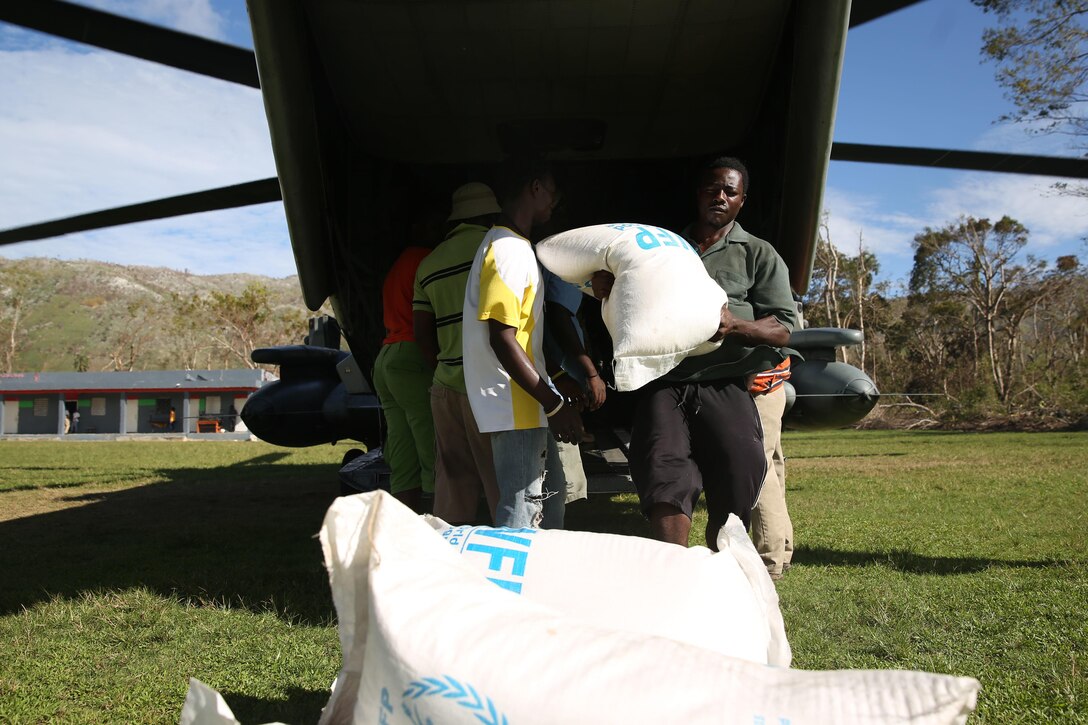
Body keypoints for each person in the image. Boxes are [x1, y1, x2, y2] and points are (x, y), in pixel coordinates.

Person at [592, 156, 798, 550]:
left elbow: (784, 327)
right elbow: (632, 296)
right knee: (662, 469)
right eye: (711, 188)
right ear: (697, 194)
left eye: (729, 191)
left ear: (742, 200)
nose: (719, 197)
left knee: (741, 467)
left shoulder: (757, 253)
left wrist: (736, 325)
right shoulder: (663, 249)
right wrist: (606, 285)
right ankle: (676, 564)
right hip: (665, 381)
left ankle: (723, 562)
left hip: (725, 382)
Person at [462, 156, 584, 529]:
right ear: (535, 187)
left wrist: (552, 396)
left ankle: (542, 579)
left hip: (528, 400)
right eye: (553, 193)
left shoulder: (513, 246)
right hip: (516, 403)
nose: (554, 203)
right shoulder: (508, 250)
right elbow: (502, 339)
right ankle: (510, 587)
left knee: (550, 502)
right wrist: (553, 404)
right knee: (521, 511)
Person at [412, 182, 502, 525]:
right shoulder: (497, 249)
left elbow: (422, 333)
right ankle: (510, 561)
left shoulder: (429, 263)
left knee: (452, 487)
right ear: (491, 213)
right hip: (490, 387)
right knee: (501, 487)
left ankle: (448, 557)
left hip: (445, 387)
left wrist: (444, 366)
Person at [373, 244, 436, 513]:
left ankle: (405, 523)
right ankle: (441, 523)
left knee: (402, 451)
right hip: (411, 353)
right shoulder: (425, 259)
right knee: (432, 447)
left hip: (386, 356)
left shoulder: (397, 264)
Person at [750, 359, 794, 580]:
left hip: (760, 390)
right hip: (773, 387)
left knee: (759, 468)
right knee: (772, 469)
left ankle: (769, 559)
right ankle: (782, 552)